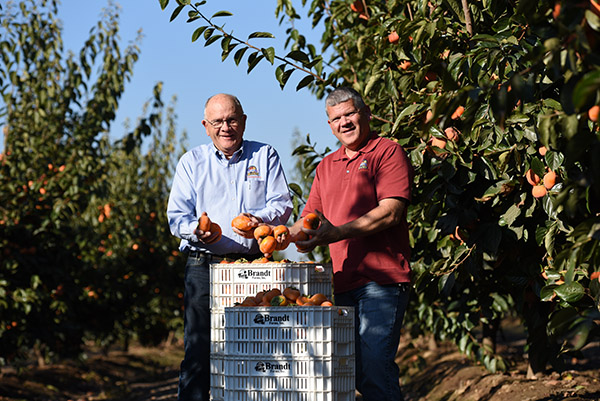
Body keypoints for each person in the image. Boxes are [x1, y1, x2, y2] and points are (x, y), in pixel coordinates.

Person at [289, 86, 414, 401]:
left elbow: (391, 213)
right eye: (336, 118)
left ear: (366, 115)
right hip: (343, 282)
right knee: (356, 368)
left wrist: (337, 233)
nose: (343, 123)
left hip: (382, 280)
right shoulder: (326, 166)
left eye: (350, 114)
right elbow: (309, 222)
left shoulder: (386, 152)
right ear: (329, 125)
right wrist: (278, 235)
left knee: (374, 367)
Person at [167, 93, 293, 401]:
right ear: (206, 126)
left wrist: (257, 218)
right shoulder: (192, 162)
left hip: (253, 266)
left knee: (258, 350)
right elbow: (176, 217)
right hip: (204, 265)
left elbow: (283, 204)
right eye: (218, 121)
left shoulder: (264, 156)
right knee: (199, 348)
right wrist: (197, 231)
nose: (226, 127)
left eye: (232, 119)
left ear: (244, 121)